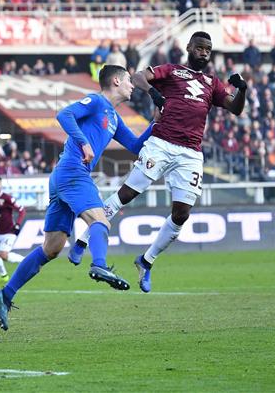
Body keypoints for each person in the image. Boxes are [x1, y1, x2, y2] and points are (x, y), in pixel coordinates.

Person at [69, 31, 247, 293]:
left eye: (208, 49)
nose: (204, 53)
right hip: (161, 143)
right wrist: (153, 93)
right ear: (189, 48)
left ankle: (146, 261)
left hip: (191, 153)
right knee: (127, 193)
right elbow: (139, 76)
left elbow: (236, 108)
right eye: (200, 48)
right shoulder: (172, 70)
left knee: (181, 214)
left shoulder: (213, 83)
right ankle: (84, 239)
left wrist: (241, 89)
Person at [0, 65, 153, 331]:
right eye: (128, 81)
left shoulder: (113, 116)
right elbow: (64, 114)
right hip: (73, 171)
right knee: (100, 222)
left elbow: (135, 146)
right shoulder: (97, 101)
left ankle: (5, 295)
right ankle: (99, 265)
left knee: (52, 248)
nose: (132, 86)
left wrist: (156, 123)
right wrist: (84, 142)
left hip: (63, 177)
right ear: (115, 81)